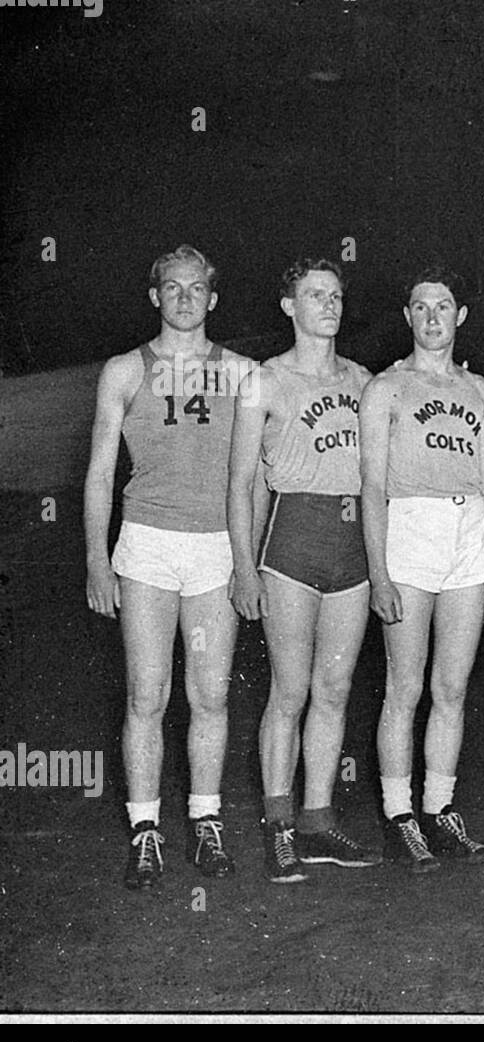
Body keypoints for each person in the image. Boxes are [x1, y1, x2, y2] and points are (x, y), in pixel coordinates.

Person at [85, 244, 253, 890]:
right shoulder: (125, 371)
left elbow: (249, 478)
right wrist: (98, 562)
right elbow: (101, 475)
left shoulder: (240, 372)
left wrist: (247, 563)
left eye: (196, 289)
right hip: (147, 547)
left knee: (209, 694)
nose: (185, 298)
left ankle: (206, 823)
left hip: (213, 548)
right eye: (172, 288)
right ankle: (146, 830)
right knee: (146, 694)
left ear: (213, 299)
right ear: (155, 297)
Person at [228, 258, 379, 883]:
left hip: (354, 552)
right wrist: (244, 567)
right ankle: (279, 827)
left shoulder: (365, 379)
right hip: (291, 547)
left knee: (335, 691)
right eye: (315, 295)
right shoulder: (264, 381)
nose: (329, 305)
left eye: (336, 294)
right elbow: (240, 484)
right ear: (289, 306)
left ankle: (318, 821)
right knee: (289, 692)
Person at [358, 266, 484, 872]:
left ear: (460, 315)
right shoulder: (386, 388)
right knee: (404, 685)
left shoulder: (482, 392)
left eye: (444, 306)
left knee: (453, 687)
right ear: (408, 316)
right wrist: (379, 575)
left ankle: (440, 807)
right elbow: (369, 486)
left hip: (468, 537)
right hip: (409, 531)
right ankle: (400, 814)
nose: (434, 317)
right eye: (422, 307)